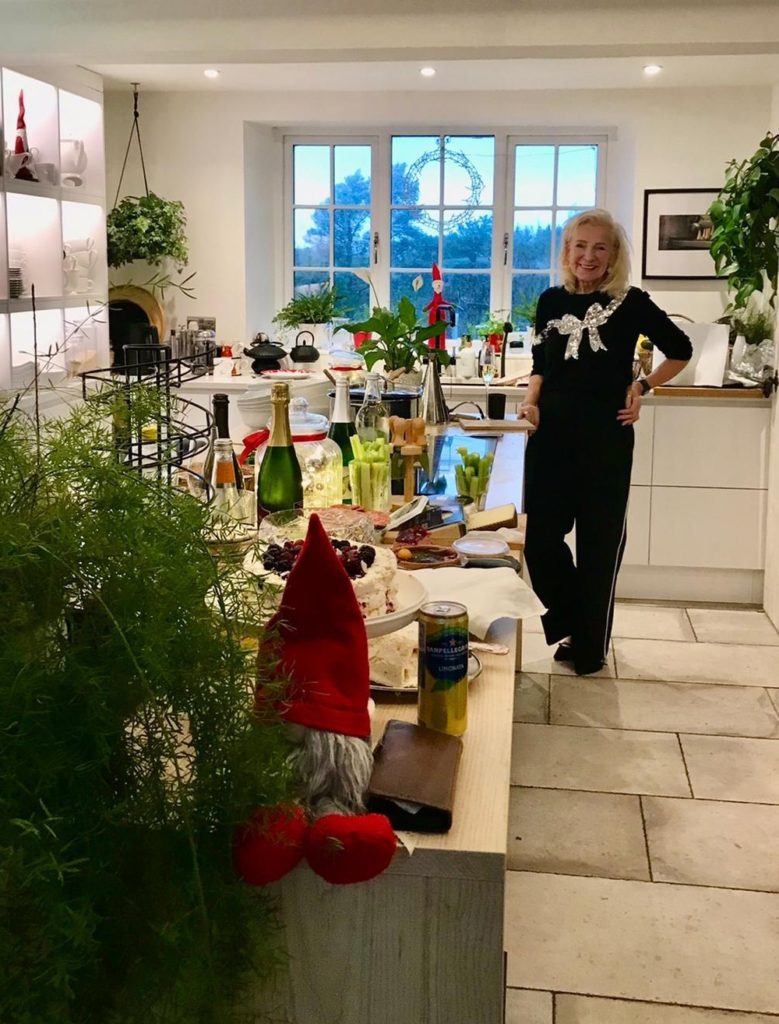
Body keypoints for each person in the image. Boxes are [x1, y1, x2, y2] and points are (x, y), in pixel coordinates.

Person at [520, 208, 692, 676]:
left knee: (599, 547)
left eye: (600, 247)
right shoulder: (550, 300)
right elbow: (541, 363)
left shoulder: (630, 302)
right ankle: (574, 621)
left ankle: (589, 645)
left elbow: (681, 350)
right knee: (538, 540)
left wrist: (643, 385)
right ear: (567, 251)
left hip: (606, 440)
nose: (588, 256)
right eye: (580, 246)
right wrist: (531, 402)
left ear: (613, 254)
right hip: (551, 438)